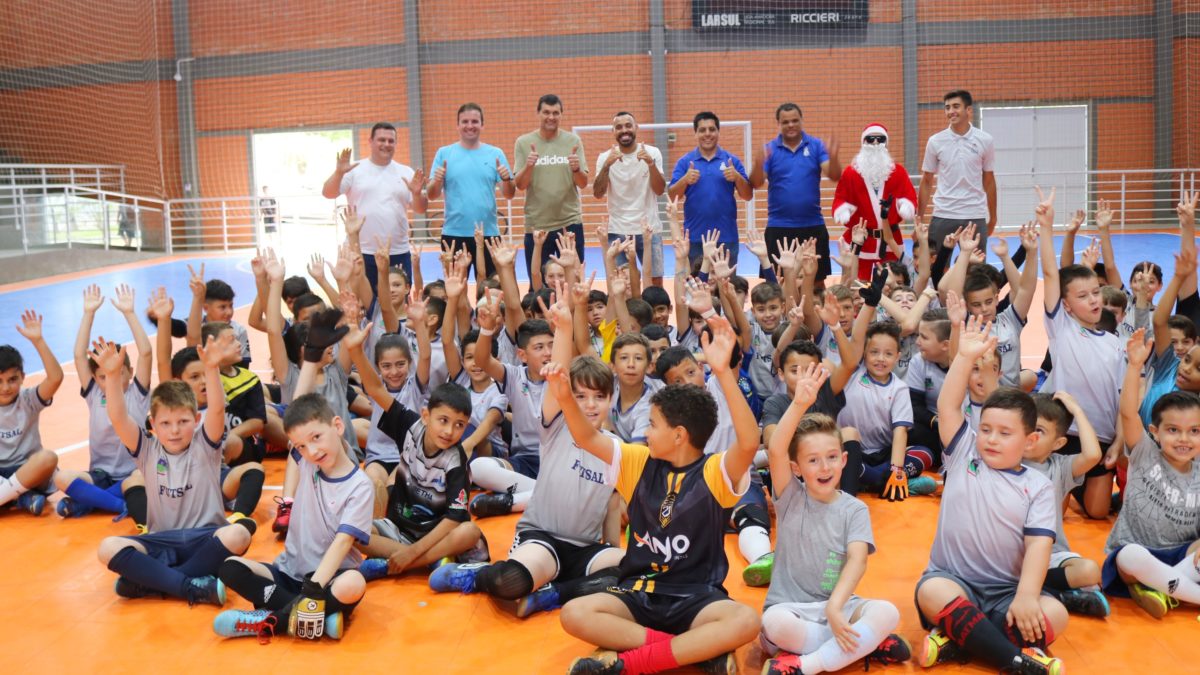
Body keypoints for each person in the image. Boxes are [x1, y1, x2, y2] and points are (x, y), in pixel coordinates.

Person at [915, 315, 1066, 674]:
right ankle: (1014, 659)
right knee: (930, 592)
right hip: (954, 581)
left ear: (1030, 442)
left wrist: (1027, 596)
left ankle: (955, 639)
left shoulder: (1038, 486)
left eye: (1004, 433)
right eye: (986, 429)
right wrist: (964, 357)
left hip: (1006, 592)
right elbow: (949, 406)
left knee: (1056, 615)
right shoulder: (964, 451)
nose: (991, 439)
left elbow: (1039, 548)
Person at [759, 365, 910, 674]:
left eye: (831, 457)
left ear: (843, 460)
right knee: (773, 625)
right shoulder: (790, 497)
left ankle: (806, 665)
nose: (824, 467)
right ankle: (865, 644)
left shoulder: (854, 509)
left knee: (888, 612)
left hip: (840, 605)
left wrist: (835, 606)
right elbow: (775, 448)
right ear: (797, 468)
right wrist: (800, 402)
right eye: (812, 460)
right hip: (792, 609)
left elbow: (857, 561)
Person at [94, 334, 252, 606]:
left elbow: (217, 409)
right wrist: (111, 375)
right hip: (161, 542)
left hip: (206, 540)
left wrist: (212, 369)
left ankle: (152, 584)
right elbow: (118, 417)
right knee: (107, 547)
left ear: (196, 419)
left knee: (239, 533)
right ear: (153, 424)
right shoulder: (147, 449)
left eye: (183, 421)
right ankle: (189, 586)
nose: (175, 430)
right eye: (165, 423)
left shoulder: (206, 445)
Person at [214, 393, 372, 642]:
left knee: (354, 583)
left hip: (330, 581)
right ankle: (320, 619)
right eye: (301, 446)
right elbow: (297, 402)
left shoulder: (360, 486)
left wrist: (314, 590)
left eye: (316, 437)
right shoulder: (307, 462)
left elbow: (343, 542)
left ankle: (270, 621)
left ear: (338, 426)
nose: (312, 450)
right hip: (289, 575)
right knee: (229, 568)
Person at [54, 284, 152, 520]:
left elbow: (146, 352)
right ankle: (120, 506)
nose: (110, 379)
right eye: (103, 376)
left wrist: (129, 313)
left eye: (117, 372)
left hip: (134, 473)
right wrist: (89, 313)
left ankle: (90, 503)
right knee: (61, 478)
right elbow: (79, 356)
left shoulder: (137, 393)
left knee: (145, 479)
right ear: (96, 379)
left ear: (129, 371)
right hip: (101, 474)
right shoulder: (95, 395)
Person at [748, 102, 841, 287]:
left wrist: (835, 157)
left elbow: (835, 175)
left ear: (801, 121)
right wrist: (758, 164)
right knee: (777, 282)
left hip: (813, 226)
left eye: (795, 120)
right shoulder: (771, 149)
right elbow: (756, 183)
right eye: (786, 122)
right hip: (779, 227)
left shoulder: (816, 146)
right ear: (779, 124)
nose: (791, 125)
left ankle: (817, 316)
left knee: (816, 282)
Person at [322, 122, 427, 286]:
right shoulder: (354, 169)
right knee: (359, 307)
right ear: (370, 141)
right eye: (381, 140)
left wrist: (417, 193)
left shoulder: (405, 172)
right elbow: (328, 193)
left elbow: (421, 208)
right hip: (360, 252)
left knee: (397, 308)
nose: (386, 144)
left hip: (397, 251)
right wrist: (339, 172)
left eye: (391, 141)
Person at [427, 103, 515, 279]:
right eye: (465, 121)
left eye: (475, 121)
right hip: (454, 234)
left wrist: (506, 179)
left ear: (482, 125)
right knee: (456, 291)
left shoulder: (495, 153)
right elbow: (432, 194)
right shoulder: (444, 153)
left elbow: (509, 194)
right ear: (457, 125)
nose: (470, 125)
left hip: (489, 233)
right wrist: (437, 180)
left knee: (491, 288)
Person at [513, 94, 588, 279]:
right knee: (538, 282)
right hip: (537, 227)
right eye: (546, 112)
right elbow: (520, 185)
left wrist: (576, 168)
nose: (551, 117)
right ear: (538, 113)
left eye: (556, 113)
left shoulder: (573, 141)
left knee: (575, 281)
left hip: (569, 224)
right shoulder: (523, 143)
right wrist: (529, 166)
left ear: (561, 115)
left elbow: (583, 183)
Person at [832, 124, 917, 282]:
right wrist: (843, 209)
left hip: (890, 238)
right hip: (861, 239)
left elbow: (908, 194)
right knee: (858, 283)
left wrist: (906, 205)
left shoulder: (898, 172)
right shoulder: (851, 173)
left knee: (891, 282)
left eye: (880, 139)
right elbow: (841, 197)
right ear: (863, 142)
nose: (876, 143)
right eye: (871, 139)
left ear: (887, 142)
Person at [668, 111, 752, 269]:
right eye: (702, 130)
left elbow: (747, 195)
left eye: (712, 129)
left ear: (718, 132)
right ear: (696, 134)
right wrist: (685, 180)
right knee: (697, 288)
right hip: (694, 238)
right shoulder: (685, 162)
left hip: (726, 237)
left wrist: (737, 177)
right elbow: (672, 196)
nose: (707, 134)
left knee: (726, 288)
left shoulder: (731, 161)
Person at [0, 310, 63, 515]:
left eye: (12, 379)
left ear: (22, 377)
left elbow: (55, 378)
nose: (5, 387)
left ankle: (9, 497)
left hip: (30, 471)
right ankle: (22, 498)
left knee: (48, 458)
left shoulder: (28, 400)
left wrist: (38, 341)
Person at [594, 112, 667, 287]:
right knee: (622, 282)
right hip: (617, 230)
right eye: (619, 127)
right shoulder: (605, 158)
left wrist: (651, 165)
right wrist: (606, 167)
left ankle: (653, 314)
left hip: (649, 229)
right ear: (613, 131)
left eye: (628, 125)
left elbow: (659, 190)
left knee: (655, 281)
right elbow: (598, 193)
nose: (624, 130)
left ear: (636, 128)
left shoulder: (652, 153)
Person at [917, 90, 997, 249]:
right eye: (947, 107)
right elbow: (926, 181)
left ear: (968, 110)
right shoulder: (935, 141)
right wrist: (919, 217)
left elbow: (989, 181)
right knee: (939, 270)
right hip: (943, 214)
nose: (951, 111)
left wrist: (993, 218)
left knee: (975, 270)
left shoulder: (985, 140)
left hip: (975, 215)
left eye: (956, 106)